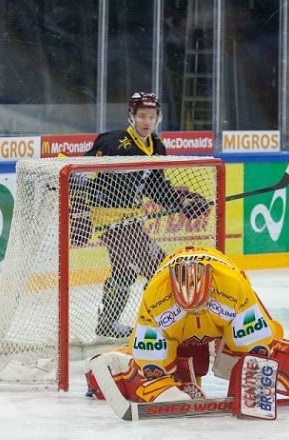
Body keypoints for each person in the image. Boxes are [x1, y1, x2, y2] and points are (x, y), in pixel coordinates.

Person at [84, 245, 289, 404]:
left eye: (200, 305)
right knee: (157, 370)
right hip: (179, 331)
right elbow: (151, 358)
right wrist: (161, 387)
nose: (195, 311)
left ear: (211, 287)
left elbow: (256, 347)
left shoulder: (233, 287)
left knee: (263, 351)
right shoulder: (155, 296)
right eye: (187, 307)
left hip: (225, 316)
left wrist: (252, 374)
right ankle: (111, 364)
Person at [83, 92, 210, 338]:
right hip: (109, 221)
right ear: (131, 116)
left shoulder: (157, 147)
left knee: (124, 271)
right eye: (142, 116)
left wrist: (181, 201)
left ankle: (107, 323)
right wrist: (78, 210)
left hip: (133, 218)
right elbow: (78, 172)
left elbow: (156, 186)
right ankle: (158, 323)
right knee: (159, 267)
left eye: (152, 117)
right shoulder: (112, 142)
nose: (147, 122)